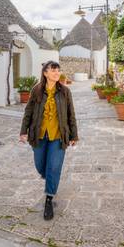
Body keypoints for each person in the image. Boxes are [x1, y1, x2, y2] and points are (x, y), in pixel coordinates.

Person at [19, 60, 79, 220]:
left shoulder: (65, 92)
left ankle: (49, 199)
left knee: (53, 166)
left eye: (58, 70)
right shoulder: (36, 90)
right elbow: (28, 112)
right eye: (53, 70)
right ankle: (50, 177)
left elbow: (71, 114)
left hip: (58, 136)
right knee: (40, 166)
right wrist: (23, 131)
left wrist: (74, 135)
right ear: (45, 73)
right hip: (38, 135)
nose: (57, 72)